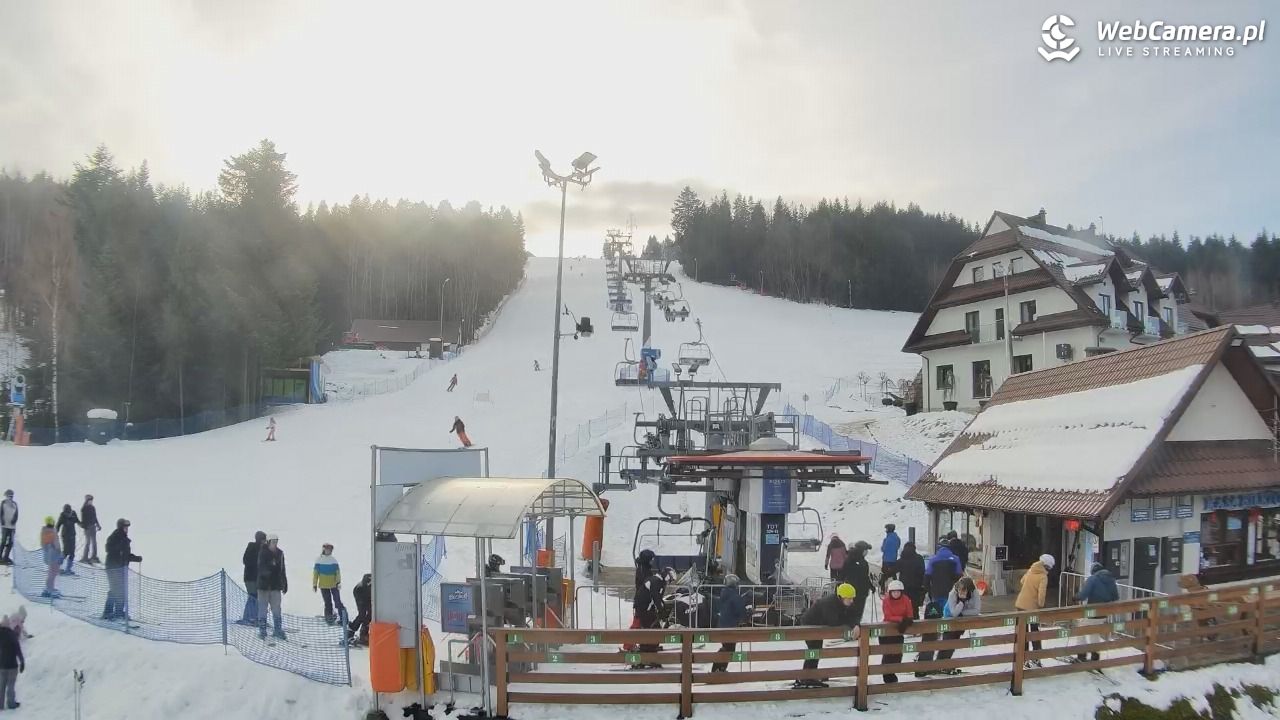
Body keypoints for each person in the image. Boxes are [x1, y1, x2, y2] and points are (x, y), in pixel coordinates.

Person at [796, 583, 860, 687]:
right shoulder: (830, 603)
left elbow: (854, 615)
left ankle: (809, 676)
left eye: (852, 598)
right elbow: (833, 621)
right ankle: (807, 677)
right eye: (849, 598)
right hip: (810, 626)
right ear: (841, 597)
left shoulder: (844, 603)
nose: (852, 601)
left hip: (818, 628)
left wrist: (856, 624)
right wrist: (850, 623)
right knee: (814, 651)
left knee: (816, 651)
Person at [915, 576, 981, 676]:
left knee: (954, 642)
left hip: (962, 619)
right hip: (949, 617)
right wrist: (962, 602)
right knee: (948, 640)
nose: (961, 592)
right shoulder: (953, 593)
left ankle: (943, 664)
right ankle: (939, 664)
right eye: (960, 589)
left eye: (964, 590)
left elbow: (977, 610)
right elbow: (954, 613)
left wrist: (962, 613)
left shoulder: (974, 593)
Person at [1015, 554, 1054, 668]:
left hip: (1020, 605)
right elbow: (1041, 595)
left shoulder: (1031, 570)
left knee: (1022, 632)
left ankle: (1023, 659)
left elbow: (1022, 581)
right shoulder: (1043, 576)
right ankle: (1036, 658)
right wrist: (1041, 605)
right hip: (1032, 608)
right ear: (1047, 566)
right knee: (1034, 633)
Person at [1074, 562, 1118, 662]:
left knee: (1081, 630)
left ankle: (1081, 655)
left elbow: (1083, 595)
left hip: (1092, 612)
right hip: (1104, 613)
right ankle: (1095, 656)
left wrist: (1075, 597)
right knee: (1094, 632)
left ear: (1093, 571)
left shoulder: (1092, 579)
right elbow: (1116, 597)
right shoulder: (1111, 580)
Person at [631, 567, 672, 668]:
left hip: (645, 609)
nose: (669, 582)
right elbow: (656, 597)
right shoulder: (656, 581)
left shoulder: (655, 580)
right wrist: (662, 611)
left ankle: (649, 656)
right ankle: (645, 658)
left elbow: (657, 598)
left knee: (652, 631)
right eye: (670, 579)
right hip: (644, 610)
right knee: (653, 632)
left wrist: (662, 608)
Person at [102, 518, 141, 620]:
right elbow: (108, 548)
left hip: (121, 568)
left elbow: (125, 555)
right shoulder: (115, 536)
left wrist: (135, 558)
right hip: (113, 568)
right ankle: (107, 612)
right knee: (115, 590)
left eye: (127, 527)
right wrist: (119, 546)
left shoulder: (124, 538)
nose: (126, 529)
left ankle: (119, 611)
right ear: (120, 527)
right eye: (125, 527)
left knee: (122, 590)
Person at [710, 574, 749, 672]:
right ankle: (717, 668)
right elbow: (740, 611)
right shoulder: (734, 596)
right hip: (730, 627)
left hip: (722, 625)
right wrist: (748, 613)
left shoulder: (724, 594)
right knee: (729, 649)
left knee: (727, 648)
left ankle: (720, 668)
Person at [878, 579, 915, 683]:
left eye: (898, 591)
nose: (896, 594)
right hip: (887, 631)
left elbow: (910, 613)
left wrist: (908, 620)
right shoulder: (886, 600)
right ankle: (886, 674)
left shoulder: (906, 599)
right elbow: (888, 615)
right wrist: (901, 619)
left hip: (899, 630)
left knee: (898, 653)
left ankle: (892, 672)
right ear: (890, 592)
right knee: (888, 654)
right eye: (894, 592)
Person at [257, 534, 288, 640]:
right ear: (268, 542)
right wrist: (268, 571)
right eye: (273, 542)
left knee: (276, 608)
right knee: (263, 608)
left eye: (276, 542)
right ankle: (262, 630)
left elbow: (282, 569)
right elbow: (261, 567)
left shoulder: (280, 553)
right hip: (263, 586)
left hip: (275, 585)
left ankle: (278, 629)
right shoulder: (263, 553)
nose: (275, 544)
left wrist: (284, 583)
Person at [924, 541, 963, 618]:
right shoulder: (956, 559)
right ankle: (948, 625)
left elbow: (927, 577)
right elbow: (959, 576)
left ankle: (938, 624)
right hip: (950, 591)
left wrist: (929, 591)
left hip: (936, 591)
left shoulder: (932, 560)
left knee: (936, 613)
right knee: (948, 613)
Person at [839, 540, 873, 624]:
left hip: (850, 590)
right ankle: (855, 626)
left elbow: (842, 574)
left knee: (850, 609)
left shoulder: (849, 559)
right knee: (857, 611)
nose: (866, 552)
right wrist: (870, 586)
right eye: (866, 550)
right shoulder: (862, 563)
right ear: (862, 550)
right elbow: (865, 577)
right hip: (860, 591)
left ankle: (851, 626)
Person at [237, 531, 266, 625]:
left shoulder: (263, 549)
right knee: (253, 596)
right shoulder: (252, 547)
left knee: (257, 597)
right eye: (264, 540)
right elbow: (246, 560)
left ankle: (255, 617)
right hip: (250, 578)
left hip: (258, 579)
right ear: (260, 540)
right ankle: (248, 618)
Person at [313, 543, 346, 625]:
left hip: (334, 584)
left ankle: (344, 619)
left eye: (330, 550)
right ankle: (329, 618)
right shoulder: (319, 560)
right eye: (327, 550)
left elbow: (337, 573)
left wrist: (338, 582)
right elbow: (315, 574)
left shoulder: (333, 560)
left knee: (337, 602)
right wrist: (314, 584)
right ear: (324, 550)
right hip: (323, 585)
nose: (329, 551)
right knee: (327, 602)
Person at [896, 542, 927, 618]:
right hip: (916, 588)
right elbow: (923, 572)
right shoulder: (919, 558)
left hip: (904, 587)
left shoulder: (902, 559)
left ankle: (905, 620)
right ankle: (916, 622)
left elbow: (894, 569)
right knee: (915, 608)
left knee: (904, 607)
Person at [0, 616, 22, 711]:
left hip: (2, 665)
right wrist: (22, 661)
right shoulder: (11, 634)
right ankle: (11, 704)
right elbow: (18, 649)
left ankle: (0, 704)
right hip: (12, 665)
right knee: (10, 685)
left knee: (1, 686)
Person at [348, 573, 372, 646]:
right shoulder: (361, 588)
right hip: (360, 593)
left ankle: (364, 633)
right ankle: (350, 631)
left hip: (368, 594)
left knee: (371, 613)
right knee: (362, 614)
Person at [39, 517, 61, 597]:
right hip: (53, 555)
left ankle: (49, 587)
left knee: (51, 572)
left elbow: (43, 544)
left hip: (48, 555)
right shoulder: (51, 532)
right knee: (53, 572)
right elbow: (56, 543)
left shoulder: (44, 531)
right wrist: (59, 551)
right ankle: (49, 589)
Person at [56, 503, 79, 575]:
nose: (68, 514)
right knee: (65, 552)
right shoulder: (62, 515)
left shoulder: (73, 513)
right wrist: (55, 532)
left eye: (68, 513)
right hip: (65, 536)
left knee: (72, 553)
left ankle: (68, 569)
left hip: (72, 535)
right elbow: (58, 525)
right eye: (66, 513)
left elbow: (77, 521)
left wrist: (83, 525)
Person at [80, 494, 101, 563]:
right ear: (87, 500)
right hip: (87, 527)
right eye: (90, 500)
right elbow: (83, 519)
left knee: (94, 542)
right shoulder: (84, 508)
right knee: (88, 542)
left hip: (93, 527)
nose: (91, 501)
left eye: (91, 500)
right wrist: (84, 526)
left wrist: (98, 525)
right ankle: (85, 557)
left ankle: (94, 556)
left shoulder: (92, 508)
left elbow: (95, 517)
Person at [880, 524, 901, 592]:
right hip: (894, 559)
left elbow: (883, 549)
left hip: (886, 560)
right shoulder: (897, 538)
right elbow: (897, 547)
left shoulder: (886, 539)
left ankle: (882, 589)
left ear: (888, 529)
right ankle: (896, 587)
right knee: (893, 573)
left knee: (885, 574)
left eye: (886, 529)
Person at [0, 490, 17, 566]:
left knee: (11, 543)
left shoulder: (14, 504)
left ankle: (6, 557)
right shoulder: (3, 503)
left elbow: (16, 514)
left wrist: (14, 520)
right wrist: (2, 521)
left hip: (12, 527)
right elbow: (1, 513)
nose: (10, 497)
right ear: (6, 496)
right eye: (9, 496)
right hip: (5, 526)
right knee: (3, 542)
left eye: (11, 496)